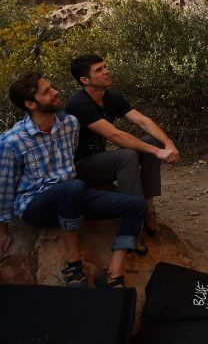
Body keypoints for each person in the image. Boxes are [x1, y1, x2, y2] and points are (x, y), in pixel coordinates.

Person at [0, 71, 147, 287]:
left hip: (73, 197)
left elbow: (72, 156)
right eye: (47, 91)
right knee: (73, 187)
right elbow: (4, 185)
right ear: (30, 104)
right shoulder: (12, 140)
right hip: (36, 205)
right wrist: (2, 229)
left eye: (51, 87)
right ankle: (73, 263)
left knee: (136, 205)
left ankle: (114, 274)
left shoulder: (69, 124)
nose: (55, 92)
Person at [65, 54, 178, 236]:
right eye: (99, 70)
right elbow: (114, 135)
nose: (106, 71)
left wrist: (167, 143)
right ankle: (132, 222)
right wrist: (158, 152)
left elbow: (142, 121)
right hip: (79, 168)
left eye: (105, 67)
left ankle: (148, 207)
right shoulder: (78, 104)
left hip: (99, 161)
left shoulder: (111, 97)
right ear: (85, 80)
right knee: (128, 155)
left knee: (153, 140)